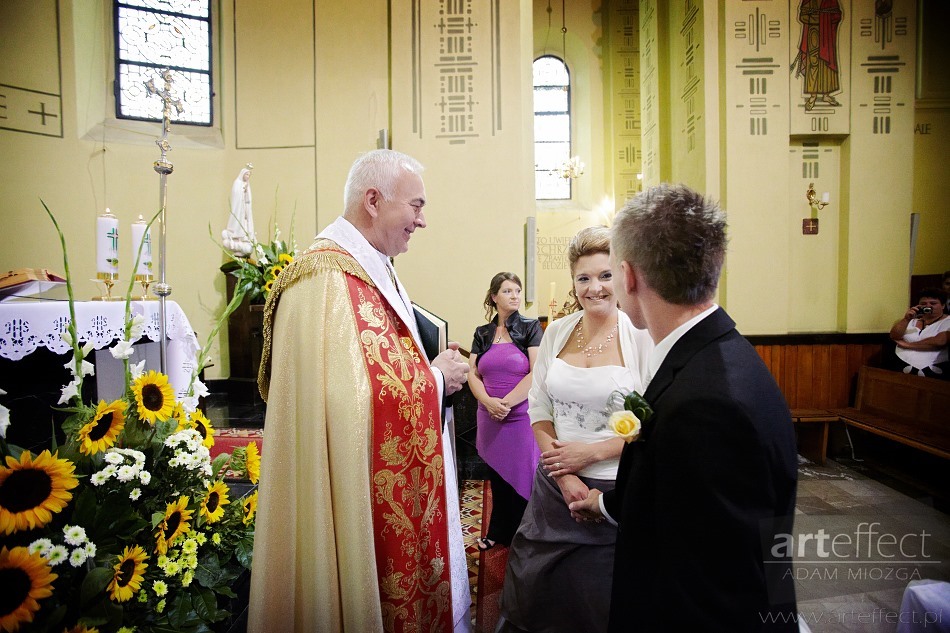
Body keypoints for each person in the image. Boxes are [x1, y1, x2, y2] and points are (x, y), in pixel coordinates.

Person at [248, 149, 472, 632]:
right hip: (349, 488)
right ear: (373, 200)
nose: (422, 220)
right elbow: (351, 403)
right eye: (415, 205)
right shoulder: (327, 278)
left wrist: (429, 369)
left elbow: (379, 369)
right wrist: (438, 380)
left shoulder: (370, 265)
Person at [570, 184, 799, 631]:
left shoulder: (708, 407)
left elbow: (710, 585)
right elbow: (679, 495)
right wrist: (606, 504)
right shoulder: (718, 354)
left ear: (629, 277)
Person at [496, 227, 653, 633]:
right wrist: (564, 474)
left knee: (600, 601)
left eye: (604, 276)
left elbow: (658, 421)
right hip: (555, 487)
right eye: (584, 278)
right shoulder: (557, 332)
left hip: (615, 490)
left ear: (622, 276)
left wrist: (594, 453)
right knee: (537, 590)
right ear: (573, 282)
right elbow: (539, 405)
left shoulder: (642, 336)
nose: (595, 288)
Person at [468, 272, 543, 551]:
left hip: (520, 416)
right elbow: (473, 374)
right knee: (497, 477)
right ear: (494, 297)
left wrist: (506, 403)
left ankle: (525, 534)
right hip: (489, 416)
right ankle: (498, 531)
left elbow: (536, 372)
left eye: (517, 291)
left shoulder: (530, 327)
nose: (515, 295)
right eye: (508, 291)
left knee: (524, 473)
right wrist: (488, 402)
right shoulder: (482, 333)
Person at [792, 0, 843, 111]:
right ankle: (813, 96)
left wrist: (825, 18)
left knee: (826, 66)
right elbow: (802, 16)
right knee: (813, 64)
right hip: (813, 34)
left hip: (827, 35)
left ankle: (826, 95)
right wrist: (820, 18)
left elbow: (837, 15)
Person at [888, 288, 950, 379]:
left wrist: (907, 345)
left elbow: (940, 341)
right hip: (901, 369)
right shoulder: (911, 321)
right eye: (923, 304)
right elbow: (894, 335)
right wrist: (906, 319)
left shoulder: (947, 321)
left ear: (943, 305)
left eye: (933, 303)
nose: (928, 306)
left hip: (933, 372)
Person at [222, 164, 255, 256]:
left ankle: (244, 238)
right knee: (238, 222)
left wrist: (246, 192)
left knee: (245, 224)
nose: (248, 177)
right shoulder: (237, 183)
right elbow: (235, 196)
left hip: (245, 209)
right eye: (247, 174)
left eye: (249, 175)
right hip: (238, 209)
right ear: (242, 174)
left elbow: (249, 199)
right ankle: (236, 237)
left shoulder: (247, 185)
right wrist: (242, 191)